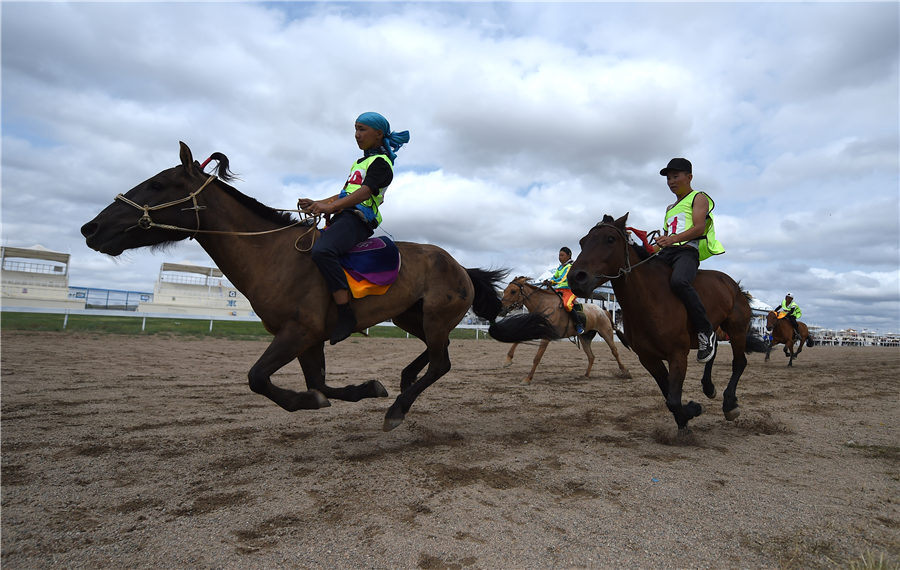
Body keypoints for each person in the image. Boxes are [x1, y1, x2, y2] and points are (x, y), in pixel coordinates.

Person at [297, 112, 410, 345]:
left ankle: (345, 313)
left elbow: (365, 192)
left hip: (358, 219)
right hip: (342, 216)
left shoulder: (381, 163)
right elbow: (345, 195)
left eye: (362, 129)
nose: (357, 135)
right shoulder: (359, 163)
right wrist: (319, 203)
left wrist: (331, 206)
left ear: (379, 134)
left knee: (322, 251)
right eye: (355, 129)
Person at [653, 158, 725, 363]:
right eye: (668, 178)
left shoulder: (698, 197)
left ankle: (705, 331)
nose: (671, 181)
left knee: (679, 282)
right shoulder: (669, 208)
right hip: (667, 253)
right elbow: (666, 238)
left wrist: (673, 239)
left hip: (687, 252)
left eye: (675, 176)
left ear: (689, 177)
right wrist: (649, 249)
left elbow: (699, 228)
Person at [542, 247, 587, 335]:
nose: (560, 257)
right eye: (559, 255)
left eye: (562, 255)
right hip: (559, 290)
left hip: (569, 291)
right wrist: (548, 281)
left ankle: (578, 325)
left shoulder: (570, 266)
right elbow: (554, 277)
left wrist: (552, 282)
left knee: (567, 305)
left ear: (569, 255)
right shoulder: (559, 268)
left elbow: (563, 278)